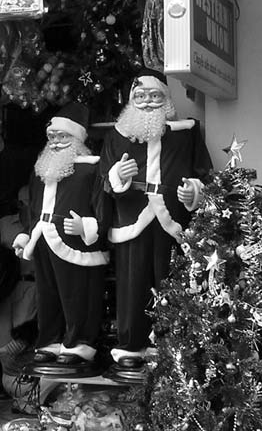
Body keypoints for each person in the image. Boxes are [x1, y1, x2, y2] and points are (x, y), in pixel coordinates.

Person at [99, 68, 212, 372]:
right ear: (131, 99)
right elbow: (104, 183)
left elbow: (204, 174)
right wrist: (117, 178)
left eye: (154, 96)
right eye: (141, 96)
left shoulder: (186, 134)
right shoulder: (116, 136)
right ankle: (130, 347)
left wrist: (195, 193)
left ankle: (171, 345)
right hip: (132, 221)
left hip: (171, 221)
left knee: (171, 283)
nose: (147, 102)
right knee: (131, 283)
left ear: (166, 99)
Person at [13, 103, 110, 369]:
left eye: (62, 137)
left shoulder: (92, 168)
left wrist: (88, 227)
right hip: (43, 238)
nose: (55, 142)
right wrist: (25, 235)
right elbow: (33, 210)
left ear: (77, 138)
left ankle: (79, 344)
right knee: (47, 294)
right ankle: (49, 341)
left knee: (76, 294)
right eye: (52, 137)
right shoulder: (41, 171)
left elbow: (104, 208)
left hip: (76, 242)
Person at [0, 185, 37, 384]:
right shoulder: (5, 224)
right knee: (3, 337)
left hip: (29, 285)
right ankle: (9, 384)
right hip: (3, 288)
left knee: (21, 339)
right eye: (23, 203)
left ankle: (21, 383)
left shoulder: (41, 224)